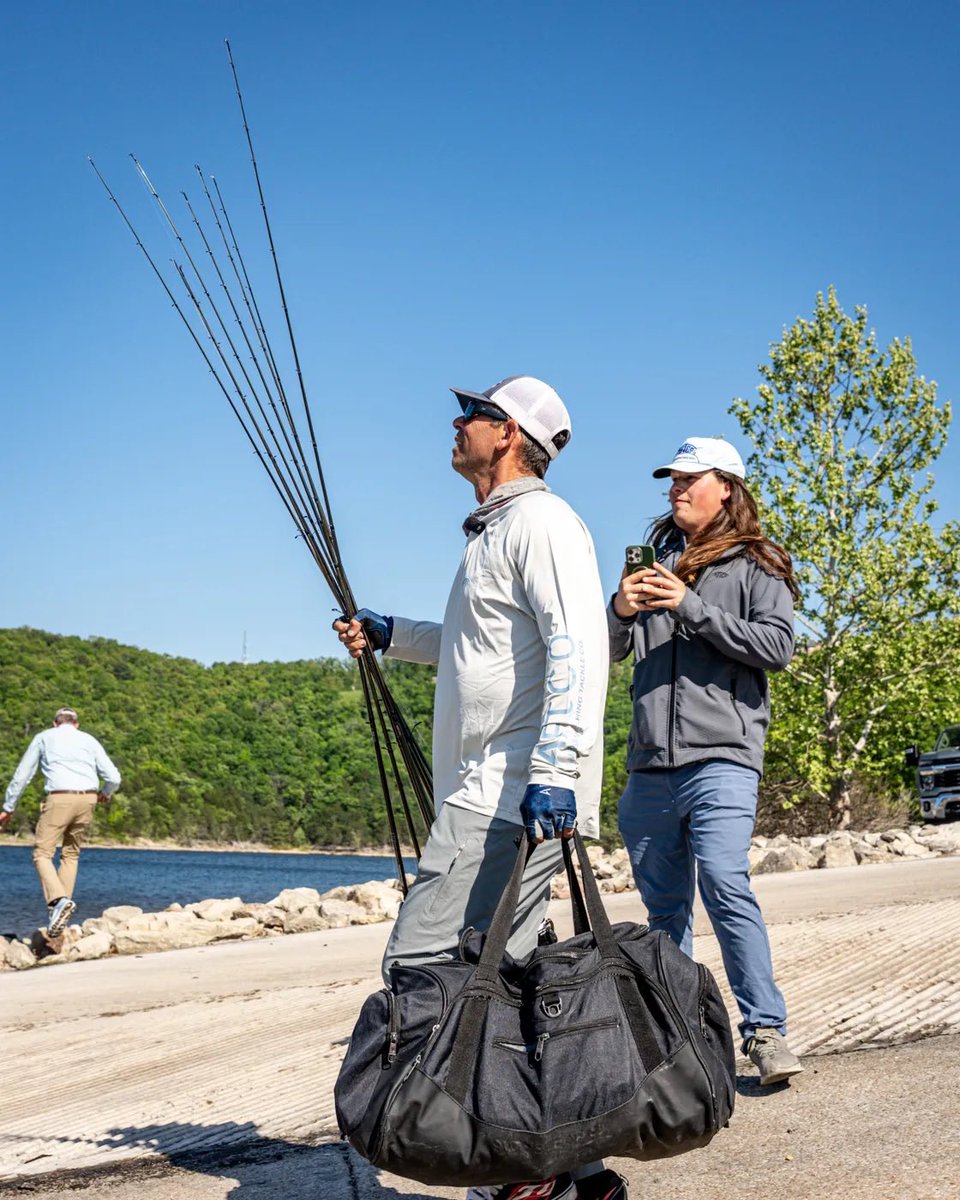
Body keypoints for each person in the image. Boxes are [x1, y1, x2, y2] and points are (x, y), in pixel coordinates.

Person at [335, 376, 623, 1200]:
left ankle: (508, 1170)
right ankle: (570, 1164)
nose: (458, 423)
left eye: (475, 413)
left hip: (511, 795)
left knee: (425, 970)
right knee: (511, 976)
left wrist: (558, 771)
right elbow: (482, 648)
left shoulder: (542, 523)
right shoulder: (494, 533)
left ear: (510, 435)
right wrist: (395, 636)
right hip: (496, 790)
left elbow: (577, 644)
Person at [608, 436, 803, 1087]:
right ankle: (679, 1045)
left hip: (723, 758)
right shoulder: (654, 562)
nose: (675, 488)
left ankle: (765, 1032)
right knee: (664, 914)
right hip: (648, 768)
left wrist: (689, 608)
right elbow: (607, 649)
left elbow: (776, 647)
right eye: (671, 479)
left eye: (689, 478)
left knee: (723, 880)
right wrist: (620, 609)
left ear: (726, 487)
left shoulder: (759, 564)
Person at [0, 706, 121, 936]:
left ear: (55, 723)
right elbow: (114, 777)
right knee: (71, 854)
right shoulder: (88, 739)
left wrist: (9, 807)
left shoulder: (44, 737)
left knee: (42, 854)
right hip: (88, 798)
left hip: (59, 797)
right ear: (76, 724)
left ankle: (58, 902)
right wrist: (106, 792)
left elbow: (22, 775)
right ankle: (59, 917)